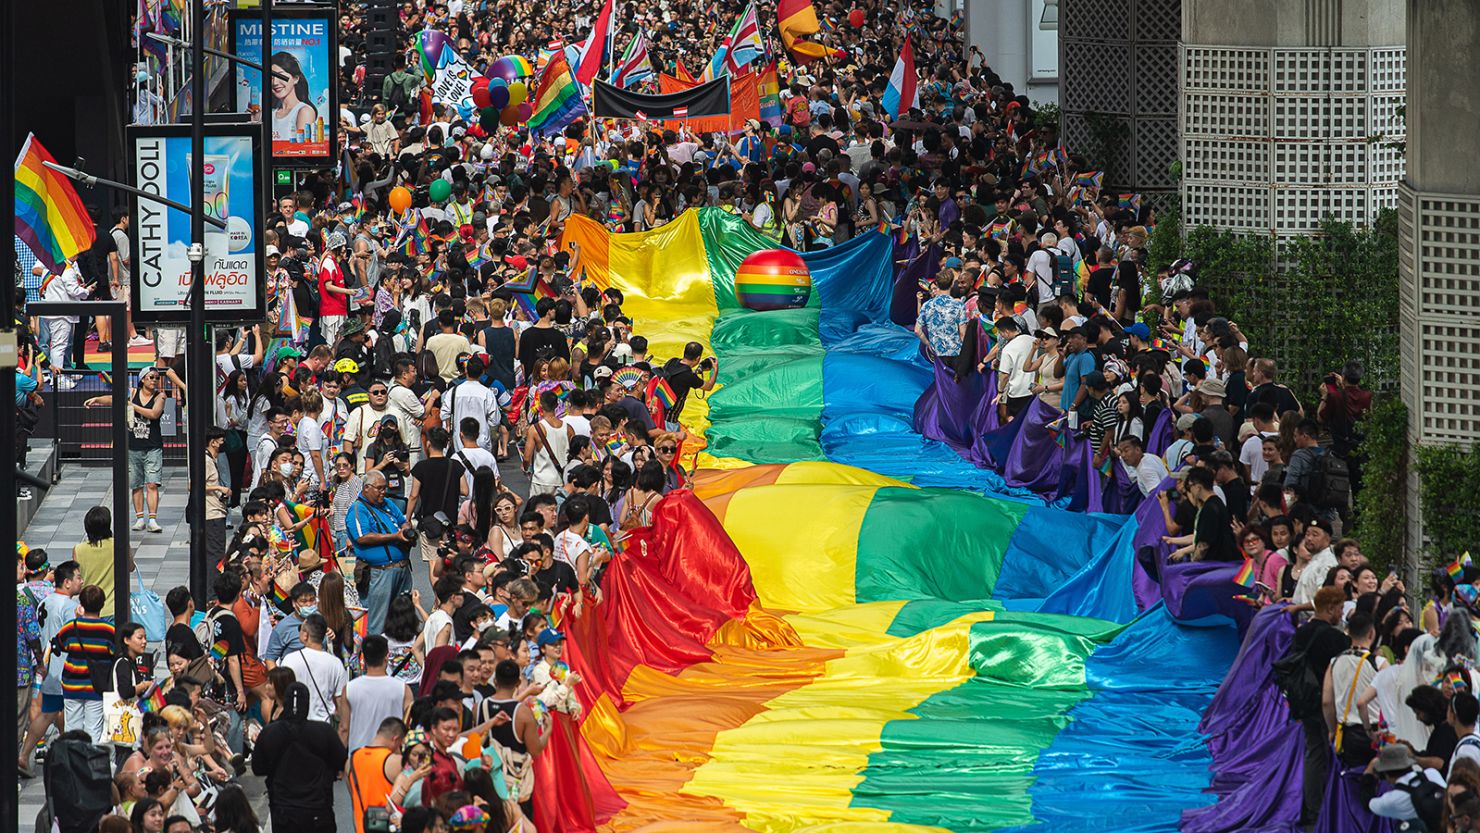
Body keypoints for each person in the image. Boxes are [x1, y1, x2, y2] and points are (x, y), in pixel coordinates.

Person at [1289, 586, 1351, 827]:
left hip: (1302, 700)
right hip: (1323, 704)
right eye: (1340, 608)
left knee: (1313, 751)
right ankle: (1320, 809)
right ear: (1331, 608)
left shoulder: (1302, 633)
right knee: (1321, 755)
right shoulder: (1334, 638)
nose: (1341, 613)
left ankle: (1312, 807)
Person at [252, 681, 347, 833]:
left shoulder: (270, 732)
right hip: (318, 809)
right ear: (307, 704)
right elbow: (341, 760)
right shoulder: (324, 731)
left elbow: (258, 767)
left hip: (283, 809)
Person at [86, 367, 169, 532]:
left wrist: (132, 406)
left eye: (157, 378)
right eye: (151, 377)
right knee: (136, 484)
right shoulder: (132, 393)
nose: (154, 380)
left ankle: (152, 518)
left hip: (152, 446)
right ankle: (140, 518)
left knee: (152, 484)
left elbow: (154, 413)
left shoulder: (160, 396)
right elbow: (113, 398)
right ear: (143, 379)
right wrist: (96, 399)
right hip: (133, 446)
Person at [345, 470, 415, 635]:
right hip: (380, 572)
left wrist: (405, 530)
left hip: (402, 569)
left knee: (403, 619)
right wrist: (395, 536)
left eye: (385, 488)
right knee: (378, 622)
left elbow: (403, 521)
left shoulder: (388, 503)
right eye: (379, 488)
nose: (383, 492)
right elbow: (362, 537)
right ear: (367, 488)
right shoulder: (358, 509)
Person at [54, 585, 114, 744]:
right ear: (102, 604)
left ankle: (72, 763)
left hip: (72, 686)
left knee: (72, 729)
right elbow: (116, 653)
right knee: (93, 730)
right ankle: (90, 764)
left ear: (81, 604)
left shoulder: (70, 627)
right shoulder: (109, 630)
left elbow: (58, 646)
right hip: (96, 687)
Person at [279, 614, 349, 736]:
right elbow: (341, 703)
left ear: (305, 635)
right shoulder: (335, 663)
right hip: (324, 729)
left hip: (296, 728)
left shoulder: (289, 660)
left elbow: (281, 696)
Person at [407, 427, 468, 564]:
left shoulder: (421, 467)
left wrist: (407, 518)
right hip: (450, 520)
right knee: (449, 558)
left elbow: (413, 496)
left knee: (433, 560)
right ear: (446, 444)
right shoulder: (455, 465)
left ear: (428, 443)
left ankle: (436, 585)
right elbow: (465, 490)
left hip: (429, 522)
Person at [344, 635, 413, 752]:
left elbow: (344, 728)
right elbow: (409, 724)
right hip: (390, 758)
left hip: (359, 756)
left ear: (364, 658)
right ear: (387, 656)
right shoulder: (403, 689)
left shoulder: (349, 688)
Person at [1366, 744, 1445, 830]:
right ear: (1409, 764)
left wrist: (1368, 774)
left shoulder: (1393, 799)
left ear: (1386, 774)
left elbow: (1367, 803)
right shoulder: (1432, 773)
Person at [348, 717, 406, 833]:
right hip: (387, 827)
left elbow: (352, 793)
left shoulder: (352, 760)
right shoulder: (395, 761)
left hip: (362, 827)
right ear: (396, 739)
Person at [72, 505, 127, 621]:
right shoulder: (118, 544)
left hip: (88, 608)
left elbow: (77, 577)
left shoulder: (78, 549)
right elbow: (130, 567)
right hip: (114, 607)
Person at [524, 390, 574, 497]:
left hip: (541, 480)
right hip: (561, 478)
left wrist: (525, 468)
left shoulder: (535, 429)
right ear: (556, 405)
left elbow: (527, 457)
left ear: (540, 405)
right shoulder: (568, 429)